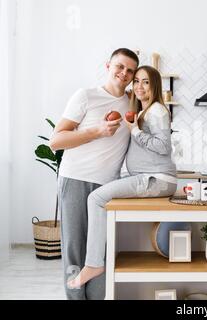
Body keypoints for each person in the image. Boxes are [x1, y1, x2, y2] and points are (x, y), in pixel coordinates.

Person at [66, 65, 177, 289]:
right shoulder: (144, 111)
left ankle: (94, 264)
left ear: (155, 85)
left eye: (145, 82)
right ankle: (97, 264)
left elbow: (164, 147)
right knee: (103, 200)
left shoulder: (157, 111)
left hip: (157, 179)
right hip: (151, 178)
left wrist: (135, 130)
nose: (139, 86)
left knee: (96, 198)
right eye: (136, 81)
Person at [50, 48, 139, 300]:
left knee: (100, 252)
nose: (124, 73)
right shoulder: (86, 96)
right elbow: (55, 141)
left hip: (107, 186)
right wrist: (97, 131)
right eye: (120, 66)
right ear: (108, 65)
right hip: (76, 179)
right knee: (75, 250)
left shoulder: (133, 102)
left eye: (130, 70)